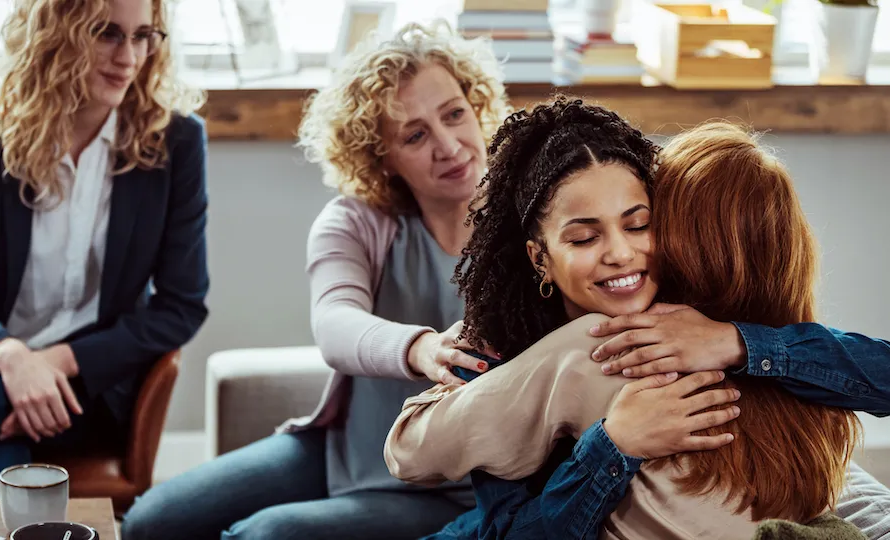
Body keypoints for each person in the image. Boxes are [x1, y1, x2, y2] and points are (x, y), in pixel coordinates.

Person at [120, 21, 733, 540]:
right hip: (348, 450)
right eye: (415, 134)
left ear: (477, 105)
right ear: (378, 154)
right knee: (153, 521)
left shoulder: (543, 221)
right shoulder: (357, 221)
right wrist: (420, 347)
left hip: (456, 484)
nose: (449, 145)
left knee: (265, 535)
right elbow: (334, 324)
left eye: (454, 114)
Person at [385, 101, 890, 539]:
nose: (621, 254)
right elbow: (484, 513)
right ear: (540, 258)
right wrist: (614, 446)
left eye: (639, 224)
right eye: (584, 238)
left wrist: (735, 342)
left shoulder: (680, 329)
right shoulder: (528, 349)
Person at [0, 0, 209, 502]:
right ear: (55, 33)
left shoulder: (176, 142)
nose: (129, 56)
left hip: (88, 380)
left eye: (144, 36)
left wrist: (54, 365)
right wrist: (12, 356)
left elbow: (181, 305)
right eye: (106, 33)